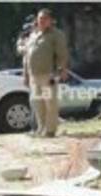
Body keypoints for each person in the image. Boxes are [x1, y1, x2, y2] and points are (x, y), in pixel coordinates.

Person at [23, 7, 70, 138]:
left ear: (50, 21)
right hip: (34, 76)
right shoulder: (33, 35)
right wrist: (26, 74)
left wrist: (61, 71)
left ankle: (50, 130)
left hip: (48, 75)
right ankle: (41, 128)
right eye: (39, 18)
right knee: (37, 103)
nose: (41, 21)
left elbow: (62, 54)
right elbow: (27, 56)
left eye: (44, 18)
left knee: (49, 103)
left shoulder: (56, 35)